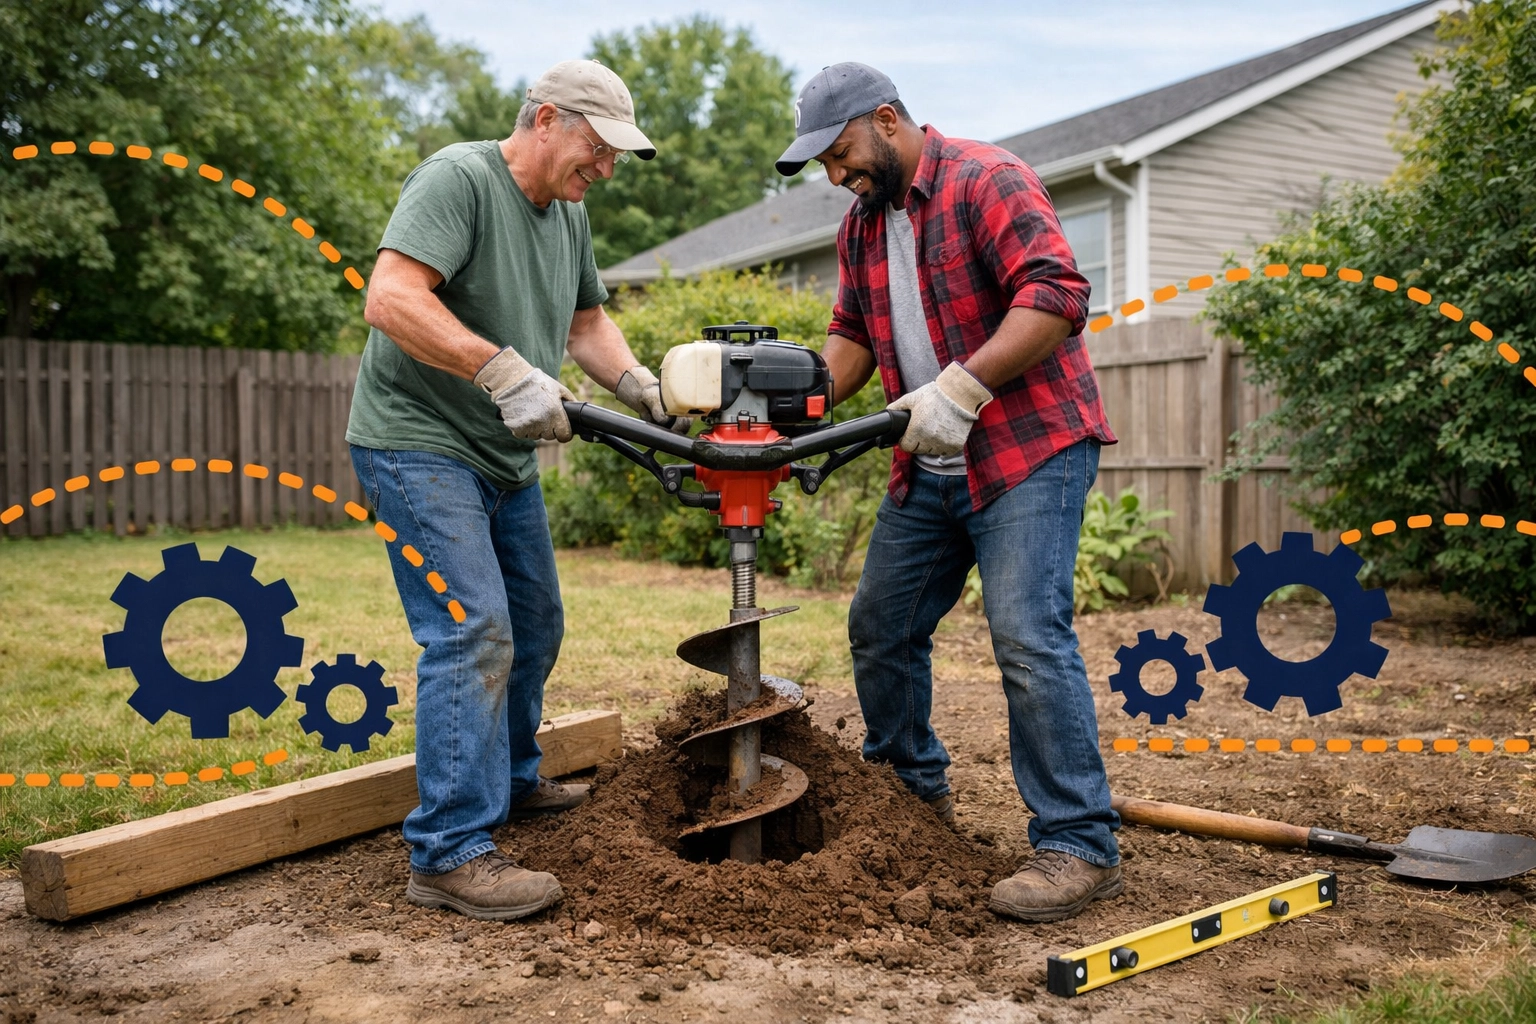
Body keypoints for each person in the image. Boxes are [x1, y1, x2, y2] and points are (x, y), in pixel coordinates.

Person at [775, 63, 1123, 923]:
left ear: (886, 120)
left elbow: (1055, 296)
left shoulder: (985, 179)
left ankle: (1079, 844)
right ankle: (908, 800)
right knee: (881, 626)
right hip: (929, 462)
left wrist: (963, 388)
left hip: (1027, 449)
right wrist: (787, 416)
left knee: (1026, 635)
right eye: (821, 163)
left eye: (841, 153)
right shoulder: (864, 225)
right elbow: (851, 338)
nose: (834, 175)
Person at [346, 60, 684, 922]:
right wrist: (498, 368)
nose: (605, 168)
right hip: (416, 445)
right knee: (474, 631)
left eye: (615, 154)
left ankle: (510, 782)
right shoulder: (458, 179)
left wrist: (639, 386)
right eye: (597, 146)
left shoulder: (566, 210)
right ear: (545, 119)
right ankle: (449, 852)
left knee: (535, 623)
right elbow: (389, 298)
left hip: (500, 457)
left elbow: (584, 324)